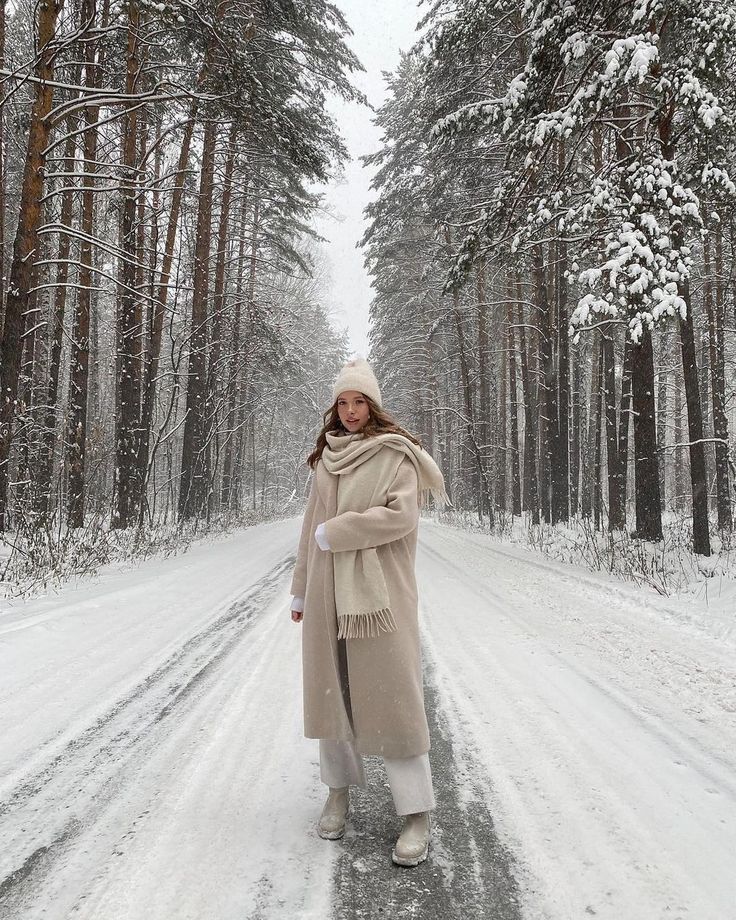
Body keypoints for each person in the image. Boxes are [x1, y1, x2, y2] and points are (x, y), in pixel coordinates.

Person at [289, 357, 450, 868]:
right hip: (326, 593)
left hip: (381, 597)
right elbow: (309, 528)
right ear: (334, 407)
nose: (352, 411)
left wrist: (338, 533)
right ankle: (337, 792)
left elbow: (400, 517)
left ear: (373, 406)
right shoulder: (325, 458)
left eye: (360, 402)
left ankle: (416, 812)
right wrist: (299, 589)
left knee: (395, 698)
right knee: (332, 696)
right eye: (344, 401)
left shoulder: (397, 455)